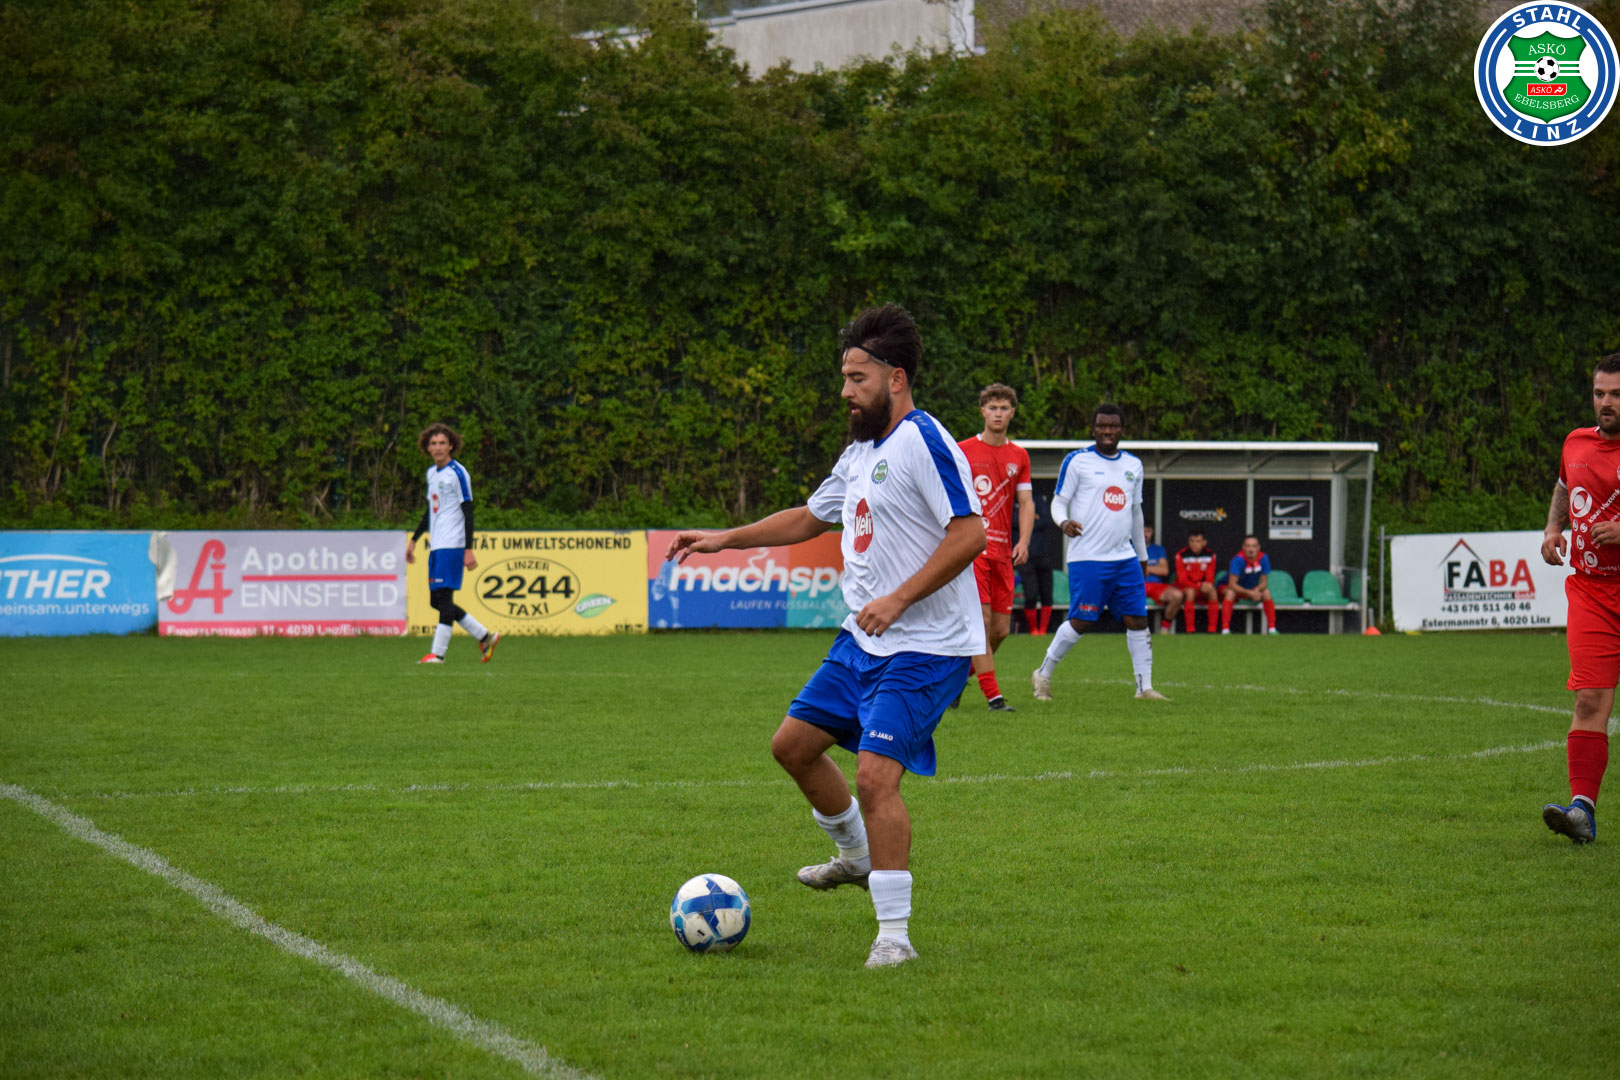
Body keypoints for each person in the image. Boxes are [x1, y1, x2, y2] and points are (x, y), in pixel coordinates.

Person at [665, 304, 986, 967]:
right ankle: (856, 855)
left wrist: (898, 598)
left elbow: (970, 534)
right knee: (792, 746)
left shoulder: (924, 441)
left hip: (926, 647)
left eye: (856, 378)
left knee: (874, 776)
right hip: (862, 640)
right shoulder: (861, 451)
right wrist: (726, 539)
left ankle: (894, 938)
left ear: (896, 379)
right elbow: (812, 517)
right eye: (844, 377)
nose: (845, 391)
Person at [1031, 404, 1166, 702]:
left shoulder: (1133, 465)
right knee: (1082, 621)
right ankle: (1043, 673)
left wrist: (1142, 556)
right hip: (1088, 557)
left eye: (1113, 426)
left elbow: (1135, 514)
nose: (1107, 431)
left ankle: (1144, 688)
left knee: (1138, 620)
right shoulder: (1077, 461)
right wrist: (1063, 522)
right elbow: (1058, 502)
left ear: (1122, 429)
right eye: (1102, 425)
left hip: (1125, 558)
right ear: (1093, 429)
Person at [1538, 353, 1620, 844]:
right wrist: (1553, 527)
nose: (1606, 402)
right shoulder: (1576, 442)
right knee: (1589, 699)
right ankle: (1582, 812)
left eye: (1616, 394)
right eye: (1599, 393)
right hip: (1591, 591)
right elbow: (1564, 485)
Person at [956, 383, 1034, 710]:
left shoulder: (1019, 455)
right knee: (982, 621)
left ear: (1012, 413)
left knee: (1000, 630)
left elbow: (1026, 502)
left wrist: (1024, 541)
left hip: (1003, 553)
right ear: (982, 412)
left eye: (1003, 408)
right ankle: (994, 698)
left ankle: (955, 682)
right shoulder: (963, 450)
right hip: (973, 550)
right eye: (992, 408)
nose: (998, 414)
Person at [405, 423, 499, 665]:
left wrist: (468, 548)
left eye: (442, 443)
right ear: (427, 447)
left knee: (444, 599)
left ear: (451, 446)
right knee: (436, 601)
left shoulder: (458, 473)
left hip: (452, 544)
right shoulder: (432, 474)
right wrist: (414, 539)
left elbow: (468, 510)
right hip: (437, 545)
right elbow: (431, 512)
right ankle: (485, 636)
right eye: (433, 443)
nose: (438, 448)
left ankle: (438, 654)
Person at [1019, 488, 1064, 635]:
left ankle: (1043, 630)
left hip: (1043, 555)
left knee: (1047, 595)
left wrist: (1028, 520)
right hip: (1025, 556)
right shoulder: (1014, 502)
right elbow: (1014, 521)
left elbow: (1046, 520)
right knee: (1031, 594)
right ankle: (1033, 630)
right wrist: (1032, 519)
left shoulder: (1039, 498)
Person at [1220, 535, 1279, 635]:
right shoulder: (1237, 560)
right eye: (1248, 546)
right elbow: (1232, 585)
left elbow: (1264, 583)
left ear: (1258, 547)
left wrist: (1256, 590)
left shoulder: (1264, 558)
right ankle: (1225, 629)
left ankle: (1272, 628)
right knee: (1230, 593)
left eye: (1254, 546)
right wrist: (1250, 593)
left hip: (1250, 589)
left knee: (1266, 592)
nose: (1251, 549)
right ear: (1243, 547)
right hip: (1230, 588)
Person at [1165, 528, 1219, 634]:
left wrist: (1206, 584)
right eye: (1192, 541)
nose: (1194, 544)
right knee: (1190, 592)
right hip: (1186, 588)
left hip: (1201, 587)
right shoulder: (1181, 555)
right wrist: (1198, 586)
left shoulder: (1210, 555)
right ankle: (1190, 629)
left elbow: (1210, 577)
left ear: (1204, 542)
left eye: (1198, 541)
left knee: (1212, 591)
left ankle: (1212, 629)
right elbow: (1182, 580)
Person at [1142, 523, 1182, 635]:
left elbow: (1164, 570)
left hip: (1156, 586)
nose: (1145, 534)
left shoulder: (1158, 550)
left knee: (1177, 595)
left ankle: (1164, 629)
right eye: (1142, 531)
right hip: (1138, 585)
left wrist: (1146, 568)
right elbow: (1132, 572)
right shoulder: (1130, 549)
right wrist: (1155, 568)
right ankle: (1134, 630)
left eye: (1148, 531)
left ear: (1152, 533)